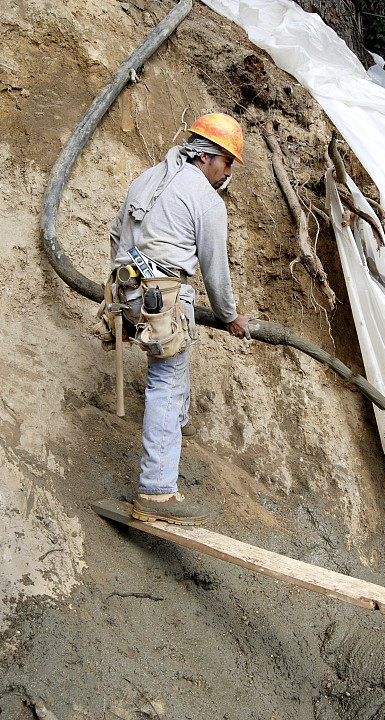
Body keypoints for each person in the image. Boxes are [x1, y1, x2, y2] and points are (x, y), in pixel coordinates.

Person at [109, 113, 251, 525]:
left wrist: (125, 294)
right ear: (207, 156)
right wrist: (229, 316)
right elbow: (214, 267)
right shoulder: (204, 198)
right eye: (227, 164)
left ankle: (176, 430)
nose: (227, 174)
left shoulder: (149, 178)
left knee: (172, 374)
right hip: (165, 297)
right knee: (166, 385)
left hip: (129, 288)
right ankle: (156, 490)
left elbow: (117, 235)